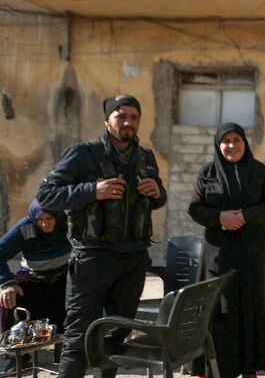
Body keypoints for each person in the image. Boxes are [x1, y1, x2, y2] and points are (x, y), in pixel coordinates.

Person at [36, 94, 167, 378]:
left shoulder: (145, 157)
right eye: (121, 116)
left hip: (133, 259)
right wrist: (92, 191)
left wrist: (158, 193)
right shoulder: (83, 154)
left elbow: (156, 199)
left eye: (134, 117)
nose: (128, 122)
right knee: (79, 336)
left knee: (115, 335)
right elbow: (47, 195)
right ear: (107, 120)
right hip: (92, 258)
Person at [188, 123, 265, 378]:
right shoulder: (207, 173)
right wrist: (221, 217)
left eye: (236, 140)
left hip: (254, 255)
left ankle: (250, 367)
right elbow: (195, 209)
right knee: (221, 310)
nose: (232, 145)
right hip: (219, 256)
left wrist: (245, 215)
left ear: (244, 143)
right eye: (226, 141)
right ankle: (220, 368)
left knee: (252, 307)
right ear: (218, 145)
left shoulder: (259, 171)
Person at [0, 199, 71, 374]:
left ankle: (75, 349)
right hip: (34, 276)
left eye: (49, 219)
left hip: (65, 276)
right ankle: (14, 357)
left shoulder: (70, 224)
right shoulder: (25, 228)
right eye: (40, 219)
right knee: (9, 299)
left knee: (82, 298)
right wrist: (6, 284)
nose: (45, 224)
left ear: (57, 217)